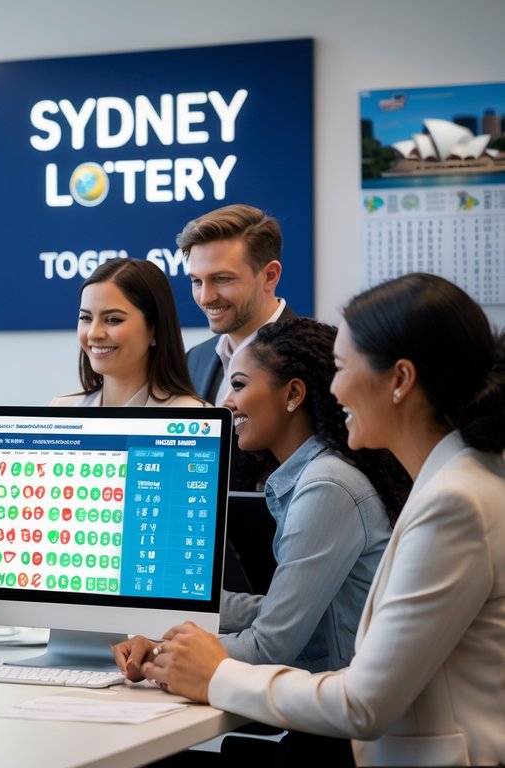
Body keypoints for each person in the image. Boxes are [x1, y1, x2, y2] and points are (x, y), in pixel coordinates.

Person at [128, 274, 505, 767]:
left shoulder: (453, 502)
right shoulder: (458, 479)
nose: (335, 387)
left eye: (342, 368)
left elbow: (362, 703)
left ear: (400, 380)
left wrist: (211, 672)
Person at [114, 317, 411, 764]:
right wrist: (175, 616)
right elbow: (281, 611)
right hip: (325, 724)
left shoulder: (325, 486)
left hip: (340, 741)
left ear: (293, 394)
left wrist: (161, 651)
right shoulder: (312, 476)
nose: (226, 402)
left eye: (238, 385)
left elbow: (271, 645)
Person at [179, 204, 297, 491]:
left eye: (222, 279)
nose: (206, 297)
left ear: (270, 276)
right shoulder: (196, 359)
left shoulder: (314, 358)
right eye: (197, 281)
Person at [51, 257, 203, 407]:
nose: (93, 334)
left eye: (112, 319)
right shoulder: (61, 409)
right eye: (86, 318)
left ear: (155, 328)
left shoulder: (194, 417)